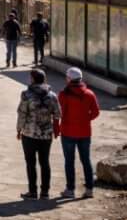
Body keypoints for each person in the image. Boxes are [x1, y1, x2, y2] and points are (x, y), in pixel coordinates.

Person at [17, 68, 61, 200]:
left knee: (31, 163)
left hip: (29, 134)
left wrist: (19, 130)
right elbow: (58, 114)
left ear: (33, 79)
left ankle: (32, 191)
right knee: (45, 162)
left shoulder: (26, 95)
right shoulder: (52, 95)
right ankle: (45, 192)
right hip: (46, 134)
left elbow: (22, 114)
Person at [58, 67, 100, 199]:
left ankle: (70, 190)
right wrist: (85, 119)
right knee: (86, 160)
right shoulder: (89, 94)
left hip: (67, 132)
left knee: (69, 161)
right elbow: (96, 112)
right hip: (85, 132)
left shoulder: (64, 94)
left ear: (69, 79)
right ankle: (89, 190)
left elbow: (60, 113)